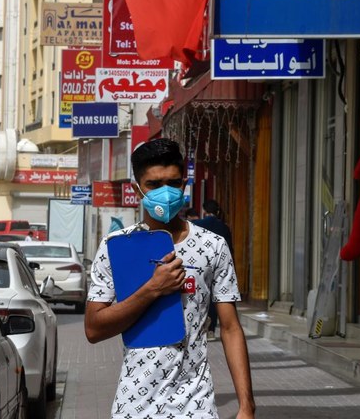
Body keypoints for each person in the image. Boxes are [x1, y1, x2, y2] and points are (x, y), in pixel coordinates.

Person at [84, 138, 255, 419]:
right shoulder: (116, 246)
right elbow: (93, 329)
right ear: (137, 188)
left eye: (173, 183)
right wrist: (152, 289)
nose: (165, 192)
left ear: (185, 184)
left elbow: (230, 328)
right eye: (153, 184)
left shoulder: (212, 245)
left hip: (196, 405)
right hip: (134, 406)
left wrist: (247, 406)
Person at [194, 199, 234, 339]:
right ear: (217, 211)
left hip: (200, 265)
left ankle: (202, 323)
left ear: (204, 211)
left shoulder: (198, 225)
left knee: (202, 295)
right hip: (219, 266)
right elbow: (229, 249)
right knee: (216, 298)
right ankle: (211, 329)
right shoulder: (224, 227)